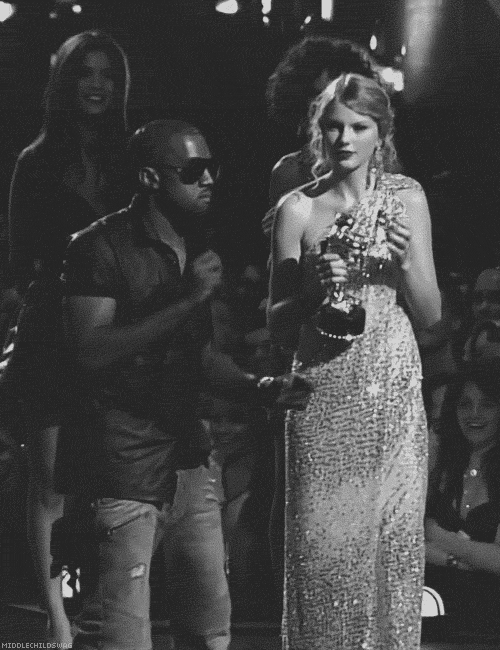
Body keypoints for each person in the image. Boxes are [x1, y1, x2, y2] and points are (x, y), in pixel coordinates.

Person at [57, 119, 312, 650]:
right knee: (122, 632)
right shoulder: (99, 247)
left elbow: (198, 355)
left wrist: (259, 386)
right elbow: (89, 351)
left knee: (209, 626)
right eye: (194, 170)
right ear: (151, 177)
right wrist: (188, 299)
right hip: (124, 460)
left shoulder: (193, 243)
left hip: (189, 453)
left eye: (212, 167)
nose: (209, 180)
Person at [268, 73, 441, 648]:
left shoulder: (407, 197)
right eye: (334, 127)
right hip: (323, 394)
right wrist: (312, 289)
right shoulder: (297, 208)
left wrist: (406, 262)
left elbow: (432, 314)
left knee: (391, 550)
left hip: (392, 389)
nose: (344, 139)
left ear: (381, 133)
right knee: (323, 555)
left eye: (359, 127)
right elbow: (276, 323)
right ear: (319, 131)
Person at [1, 31, 130, 646]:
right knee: (50, 480)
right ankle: (57, 623)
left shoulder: (132, 157)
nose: (97, 84)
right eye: (86, 72)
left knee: (113, 479)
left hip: (118, 328)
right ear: (65, 81)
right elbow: (20, 257)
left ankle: (105, 607)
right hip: (52, 331)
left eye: (108, 73)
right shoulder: (36, 161)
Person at [264, 36, 382, 598]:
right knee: (301, 495)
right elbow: (283, 278)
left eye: (357, 116)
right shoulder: (292, 179)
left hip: (377, 350)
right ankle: (294, 606)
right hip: (309, 334)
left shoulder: (396, 182)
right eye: (325, 104)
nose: (343, 131)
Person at [425, 361, 500, 638]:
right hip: (434, 611)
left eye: (487, 404)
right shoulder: (443, 463)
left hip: (490, 624)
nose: (474, 414)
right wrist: (458, 560)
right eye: (465, 404)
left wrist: (438, 536)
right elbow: (408, 544)